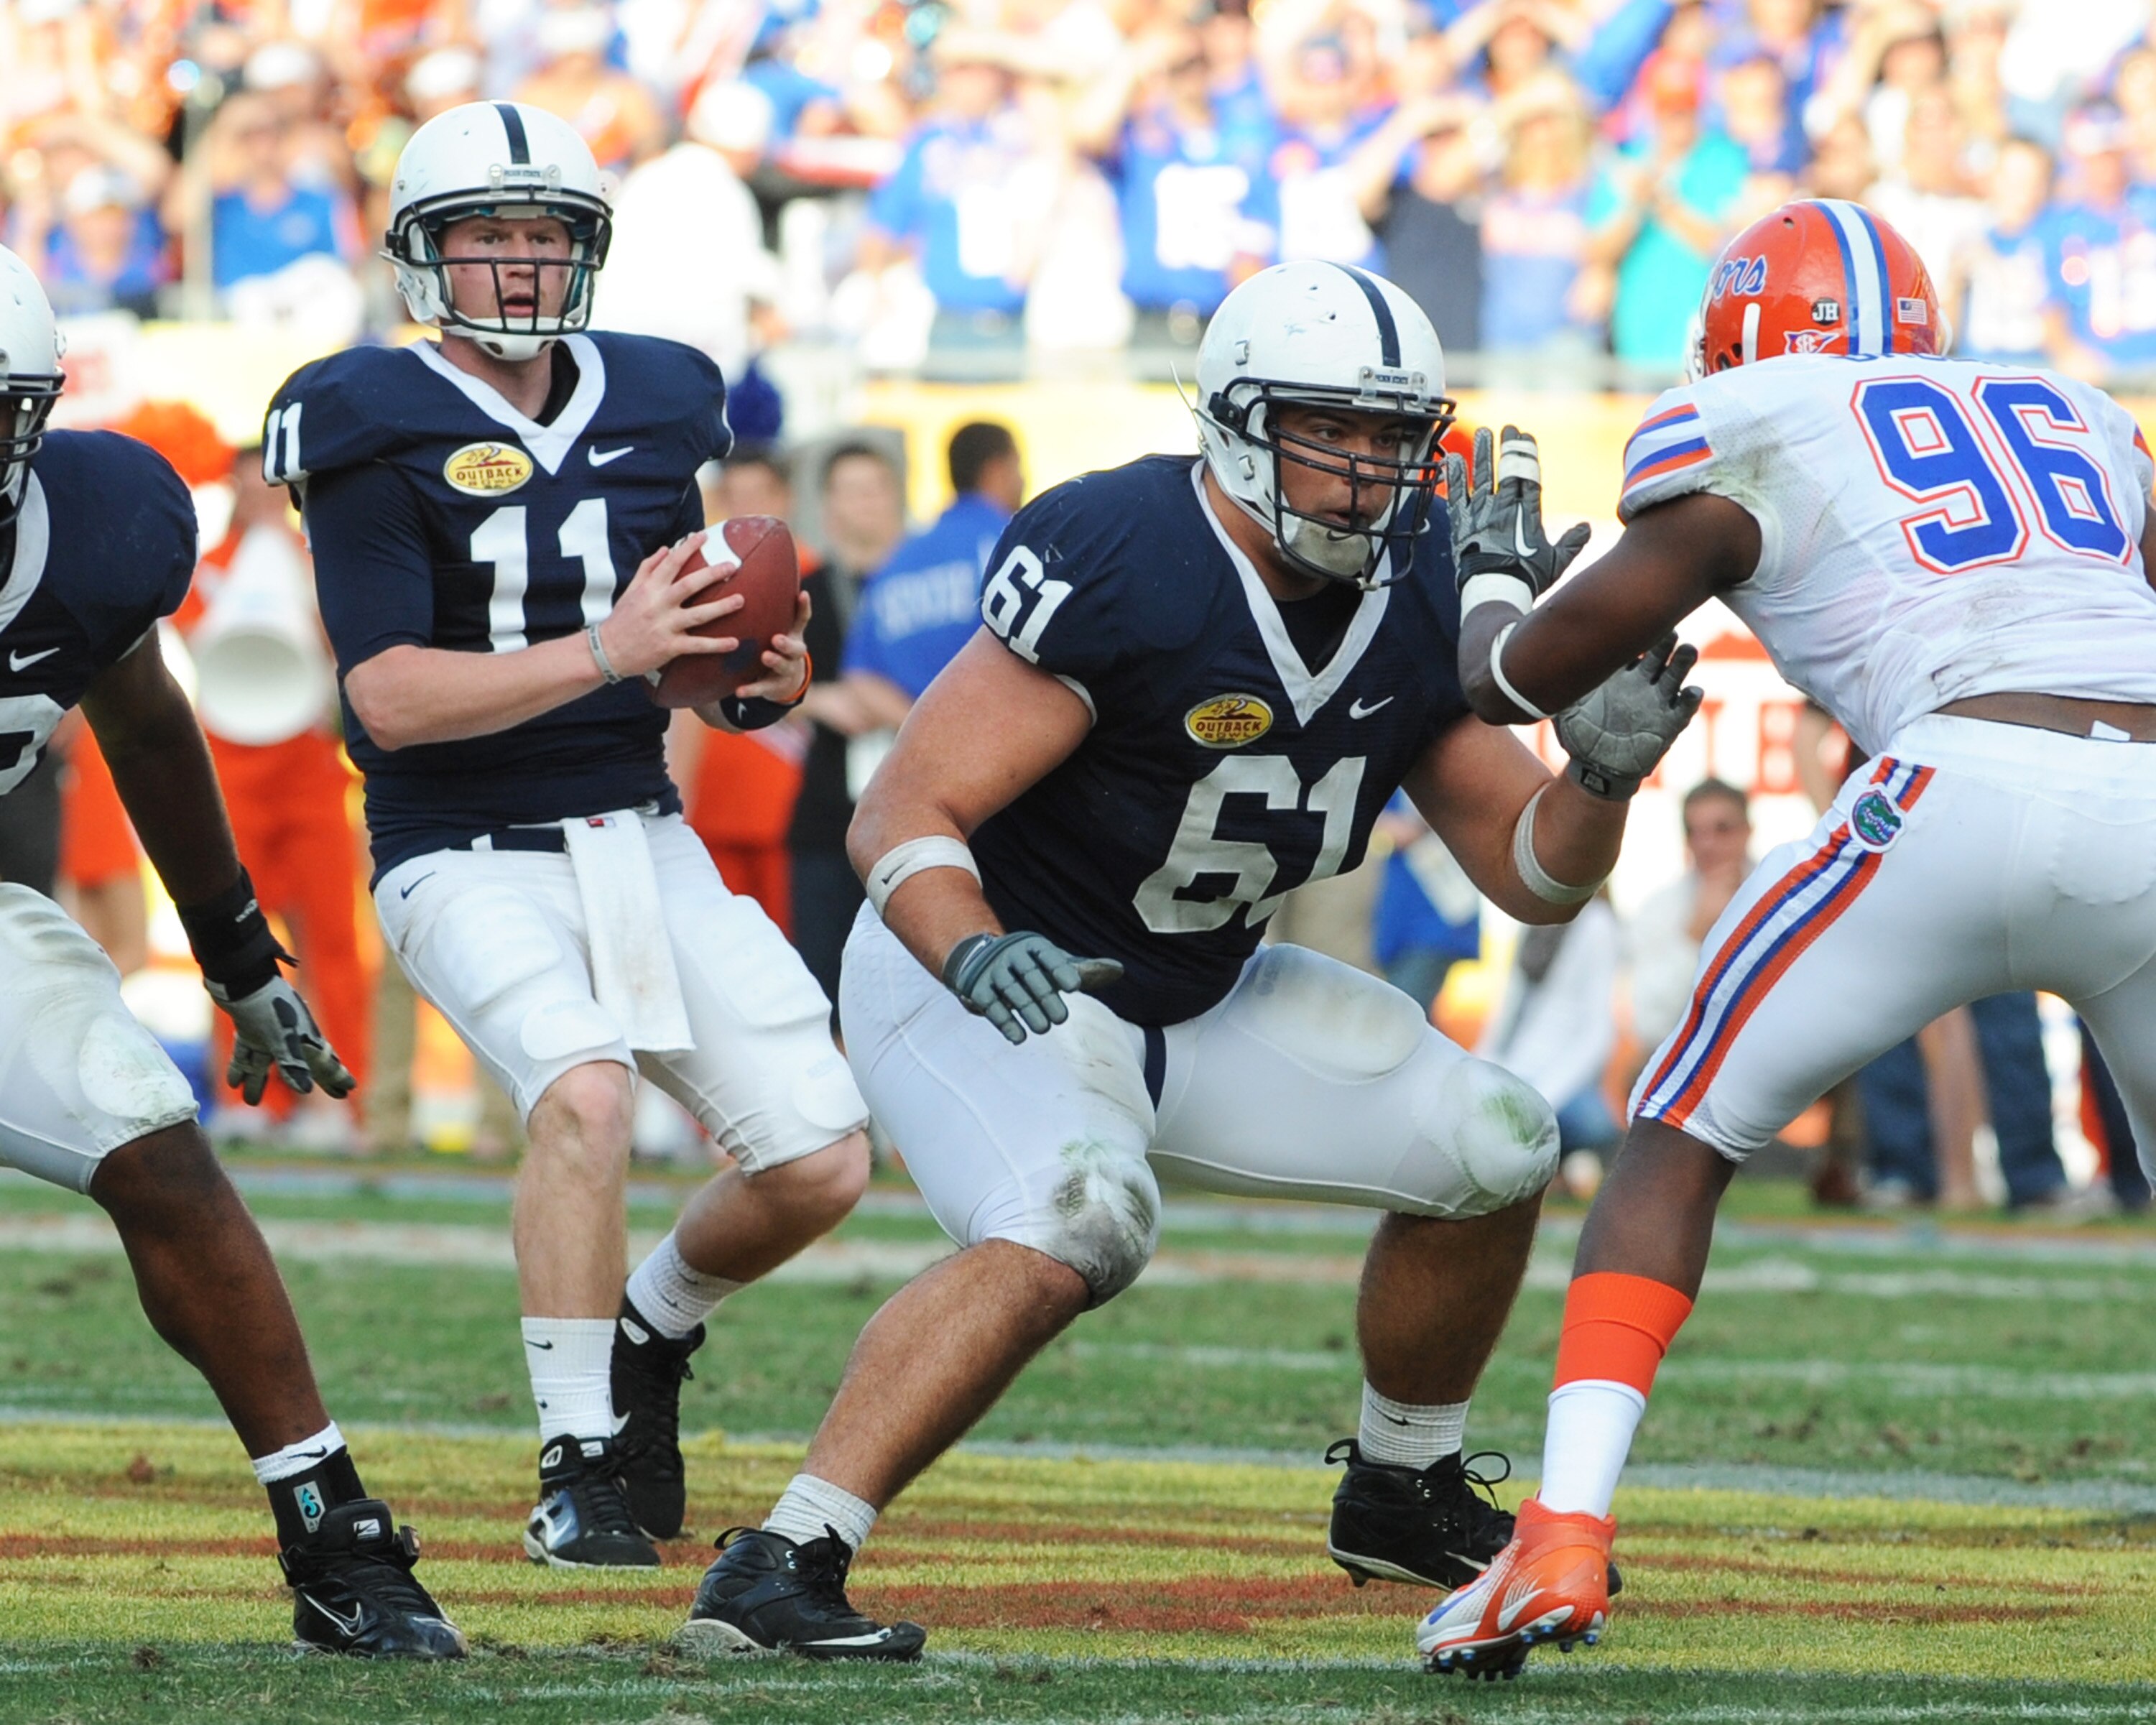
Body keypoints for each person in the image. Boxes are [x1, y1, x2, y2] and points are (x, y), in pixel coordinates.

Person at [677, 260, 1699, 1660]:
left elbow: (1530, 875)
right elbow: (904, 811)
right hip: (977, 970)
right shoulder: (1129, 553)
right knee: (1076, 1224)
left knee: (1498, 1142)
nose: (1370, 475)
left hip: (1195, 988)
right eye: (1334, 435)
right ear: (1235, 421)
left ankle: (1402, 1484)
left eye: (1398, 442)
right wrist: (972, 951)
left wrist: (1597, 777)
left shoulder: (1413, 591)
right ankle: (785, 1558)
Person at [1417, 198, 2156, 1677]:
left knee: (1677, 1132)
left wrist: (1491, 584)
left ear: (1742, 334)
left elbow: (1509, 678)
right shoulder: (2081, 411)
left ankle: (1561, 1529)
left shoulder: (1746, 413)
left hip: (1959, 779)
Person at [264, 103, 874, 1571]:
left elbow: (680, 638)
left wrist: (739, 680)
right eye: (488, 234)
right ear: (425, 252)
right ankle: (579, 1458)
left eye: (546, 234)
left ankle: (651, 1329)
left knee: (821, 1159)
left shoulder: (664, 394)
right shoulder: (365, 413)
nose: (521, 263)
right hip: (456, 842)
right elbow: (391, 698)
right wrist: (611, 649)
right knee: (585, 1095)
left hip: (636, 826)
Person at [0, 245, 460, 1658]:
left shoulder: (83, 531)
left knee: (158, 1142)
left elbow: (143, 723)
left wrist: (239, 956)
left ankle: (333, 1538)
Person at [790, 442, 908, 1009]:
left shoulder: (932, 587)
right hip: (828, 816)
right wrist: (817, 700)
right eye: (851, 491)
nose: (864, 504)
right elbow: (758, 687)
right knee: (826, 991)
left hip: (918, 814)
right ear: (828, 504)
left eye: (874, 489)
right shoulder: (801, 593)